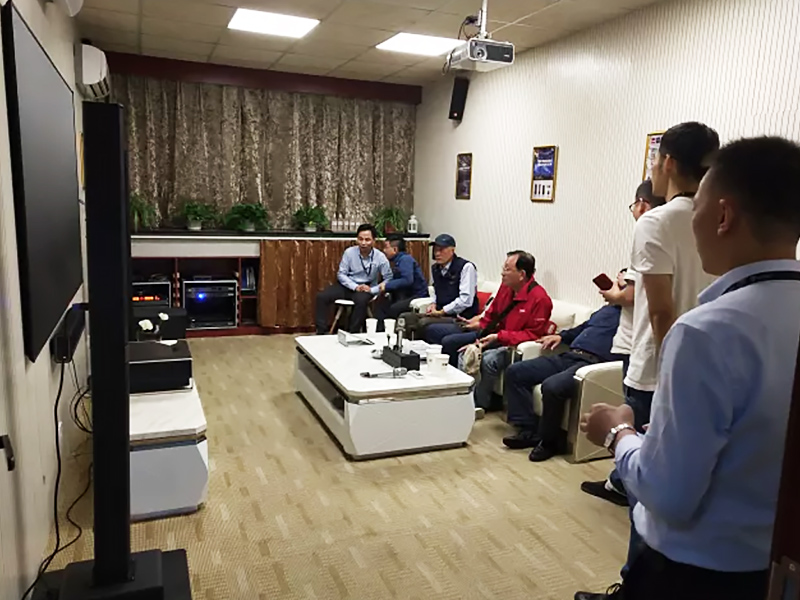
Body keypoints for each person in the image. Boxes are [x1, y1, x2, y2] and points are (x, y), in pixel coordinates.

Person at [576, 137, 800, 600]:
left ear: (723, 216)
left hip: (699, 570)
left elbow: (668, 494)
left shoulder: (705, 332)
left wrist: (617, 433)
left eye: (696, 206)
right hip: (777, 566)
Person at [581, 180, 664, 506]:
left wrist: (612, 293)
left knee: (634, 414)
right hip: (652, 346)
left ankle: (623, 483)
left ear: (642, 204)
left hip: (640, 345)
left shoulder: (650, 230)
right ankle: (624, 480)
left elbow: (629, 297)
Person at [502, 294, 623, 462]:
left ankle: (549, 442)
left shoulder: (633, 318)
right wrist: (561, 336)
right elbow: (583, 328)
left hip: (592, 363)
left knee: (553, 386)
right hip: (570, 355)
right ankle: (527, 430)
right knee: (516, 371)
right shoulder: (606, 310)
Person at [440, 251, 553, 417]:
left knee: (488, 359)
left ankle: (479, 404)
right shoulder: (506, 287)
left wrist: (499, 337)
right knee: (457, 346)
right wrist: (479, 335)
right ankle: (457, 395)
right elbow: (492, 314)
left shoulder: (540, 299)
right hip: (494, 335)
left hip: (513, 345)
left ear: (522, 274)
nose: (502, 273)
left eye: (507, 269)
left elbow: (533, 335)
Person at [314, 224, 392, 334]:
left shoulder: (380, 257)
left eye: (367, 240)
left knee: (361, 301)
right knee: (321, 296)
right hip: (348, 285)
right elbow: (341, 274)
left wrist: (373, 289)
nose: (363, 243)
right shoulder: (349, 252)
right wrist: (355, 287)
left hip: (367, 288)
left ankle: (353, 333)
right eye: (360, 239)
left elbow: (388, 278)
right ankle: (321, 332)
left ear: (374, 241)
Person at [401, 233, 479, 341]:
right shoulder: (436, 268)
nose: (437, 253)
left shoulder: (466, 267)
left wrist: (443, 311)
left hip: (460, 317)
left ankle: (419, 349)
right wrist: (433, 304)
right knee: (406, 318)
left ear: (452, 250)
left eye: (441, 250)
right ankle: (404, 348)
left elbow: (466, 300)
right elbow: (435, 289)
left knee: (423, 323)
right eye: (435, 249)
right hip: (441, 313)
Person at [373, 234, 428, 328]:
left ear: (395, 249)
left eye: (386, 247)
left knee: (393, 309)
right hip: (404, 295)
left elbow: (407, 280)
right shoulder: (398, 260)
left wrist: (387, 286)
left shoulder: (405, 260)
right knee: (381, 305)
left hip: (416, 296)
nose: (384, 250)